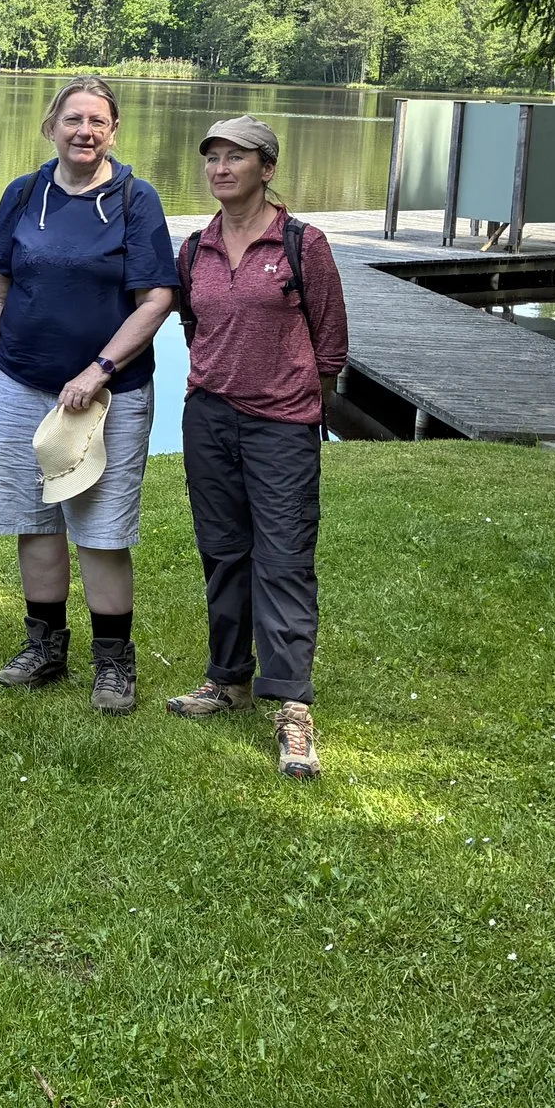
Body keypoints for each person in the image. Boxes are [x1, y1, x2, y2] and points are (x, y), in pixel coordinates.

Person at [0, 77, 178, 715]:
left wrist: (100, 368)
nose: (84, 131)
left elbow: (158, 299)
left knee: (101, 529)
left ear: (113, 131)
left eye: (97, 121)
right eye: (72, 119)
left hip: (109, 396)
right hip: (24, 385)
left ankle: (114, 664)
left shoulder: (136, 200)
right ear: (50, 126)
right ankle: (45, 646)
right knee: (33, 520)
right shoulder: (24, 194)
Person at [166, 115, 349, 780]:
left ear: (266, 168)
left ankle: (292, 706)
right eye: (211, 156)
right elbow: (196, 327)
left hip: (282, 427)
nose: (219, 167)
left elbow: (330, 344)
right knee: (222, 555)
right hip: (209, 420)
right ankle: (228, 678)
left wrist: (291, 396)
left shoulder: (304, 244)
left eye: (234, 157)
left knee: (284, 562)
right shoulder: (195, 249)